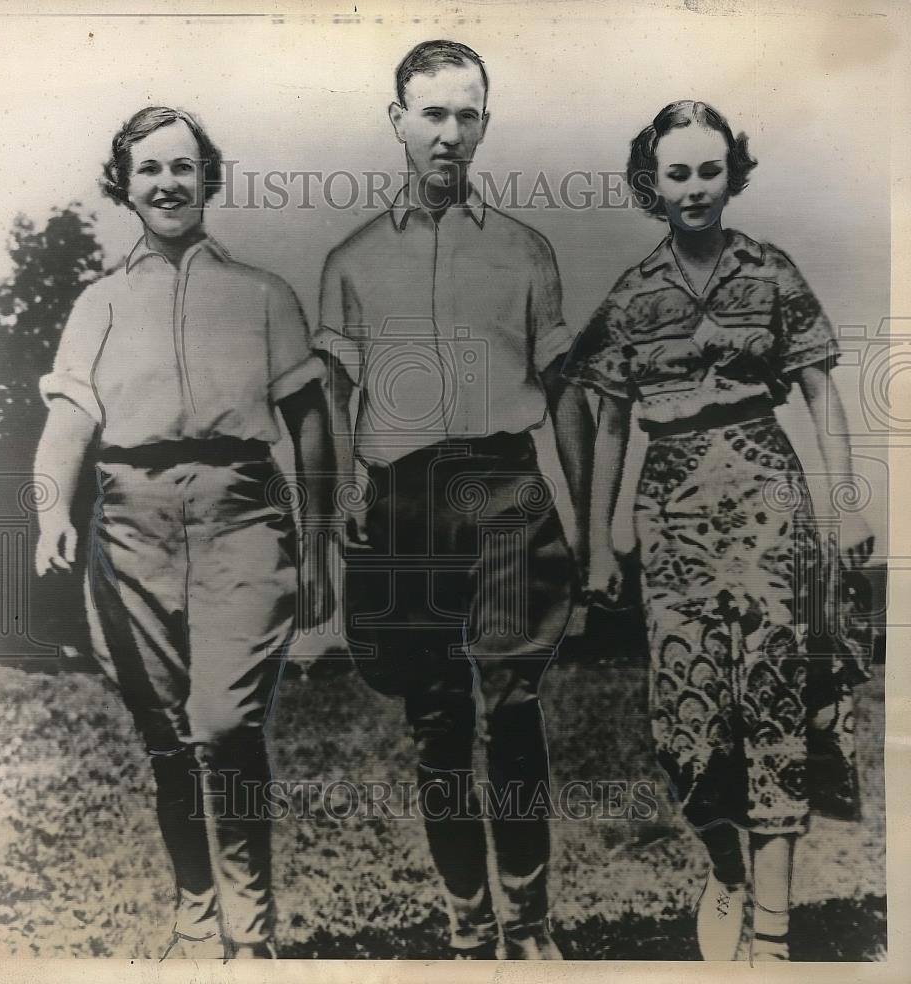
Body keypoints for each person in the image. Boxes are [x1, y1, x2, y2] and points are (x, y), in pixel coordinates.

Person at [561, 100, 875, 962]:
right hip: (670, 519)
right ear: (650, 184)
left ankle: (772, 935)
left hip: (770, 505)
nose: (695, 189)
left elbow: (820, 393)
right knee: (688, 717)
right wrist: (601, 540)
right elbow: (612, 424)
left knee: (775, 703)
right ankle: (727, 874)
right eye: (677, 173)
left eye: (709, 170)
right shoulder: (631, 295)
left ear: (731, 174)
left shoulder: (771, 273)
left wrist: (845, 503)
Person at [32, 106, 334, 959]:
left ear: (210, 178)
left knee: (226, 723)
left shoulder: (262, 294)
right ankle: (198, 919)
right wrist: (51, 507)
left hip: (242, 514)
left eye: (184, 167)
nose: (168, 183)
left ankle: (254, 928)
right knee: (167, 737)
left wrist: (318, 540)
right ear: (124, 186)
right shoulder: (100, 302)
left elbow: (311, 421)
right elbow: (66, 425)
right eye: (149, 169)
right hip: (131, 526)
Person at [313, 40, 593, 959]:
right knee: (436, 720)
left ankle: (531, 924)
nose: (449, 134)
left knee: (514, 707)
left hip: (506, 492)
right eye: (432, 114)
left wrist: (586, 519)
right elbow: (333, 397)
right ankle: (469, 926)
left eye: (466, 115)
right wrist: (344, 492)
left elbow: (564, 393)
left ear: (485, 124)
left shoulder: (526, 251)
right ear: (398, 121)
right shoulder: (349, 260)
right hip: (402, 502)